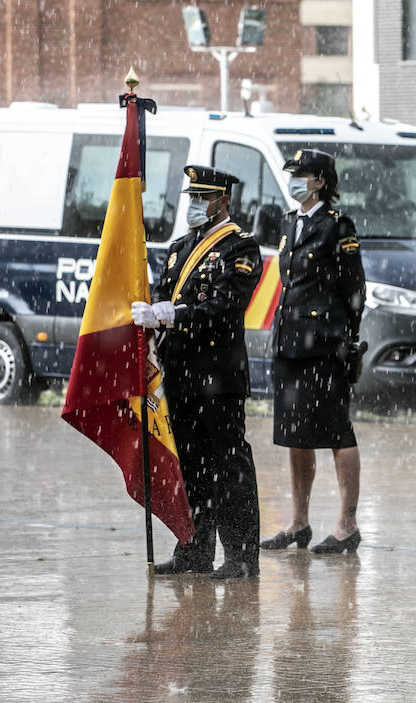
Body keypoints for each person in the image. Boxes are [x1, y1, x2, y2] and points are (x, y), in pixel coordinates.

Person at [136, 165, 263, 579]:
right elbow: (162, 294)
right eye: (191, 197)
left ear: (222, 200)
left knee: (229, 465)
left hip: (219, 374)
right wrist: (154, 314)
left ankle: (241, 556)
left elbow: (227, 306)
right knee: (189, 465)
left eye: (201, 198)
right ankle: (194, 549)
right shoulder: (178, 248)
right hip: (182, 373)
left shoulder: (240, 248)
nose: (193, 204)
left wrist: (176, 314)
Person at [260, 149, 368, 555]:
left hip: (324, 345)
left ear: (321, 181)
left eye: (303, 175)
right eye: (294, 174)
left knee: (338, 432)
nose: (295, 180)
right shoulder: (290, 222)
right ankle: (298, 523)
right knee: (295, 435)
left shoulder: (337, 226)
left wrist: (347, 339)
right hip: (290, 343)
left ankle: (347, 524)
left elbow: (354, 287)